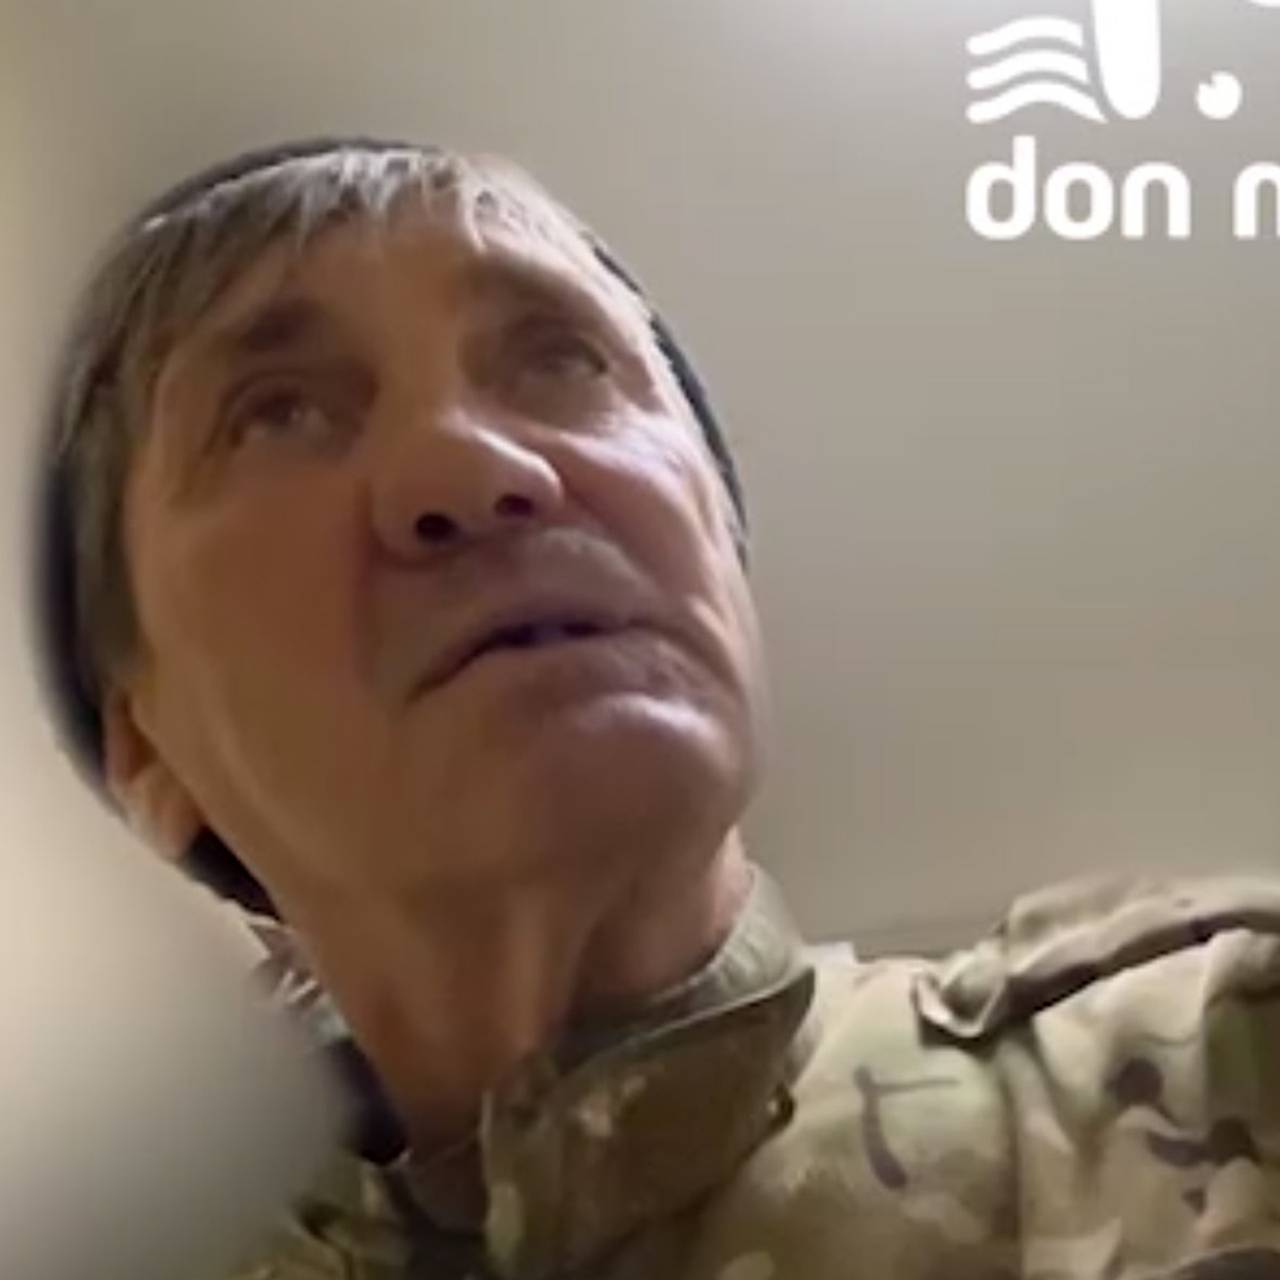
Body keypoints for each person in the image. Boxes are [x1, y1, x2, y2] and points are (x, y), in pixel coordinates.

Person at [32, 137, 1280, 1280]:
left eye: (560, 359)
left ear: (719, 549)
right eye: (277, 412)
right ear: (145, 749)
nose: (472, 464)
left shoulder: (1231, 1057)